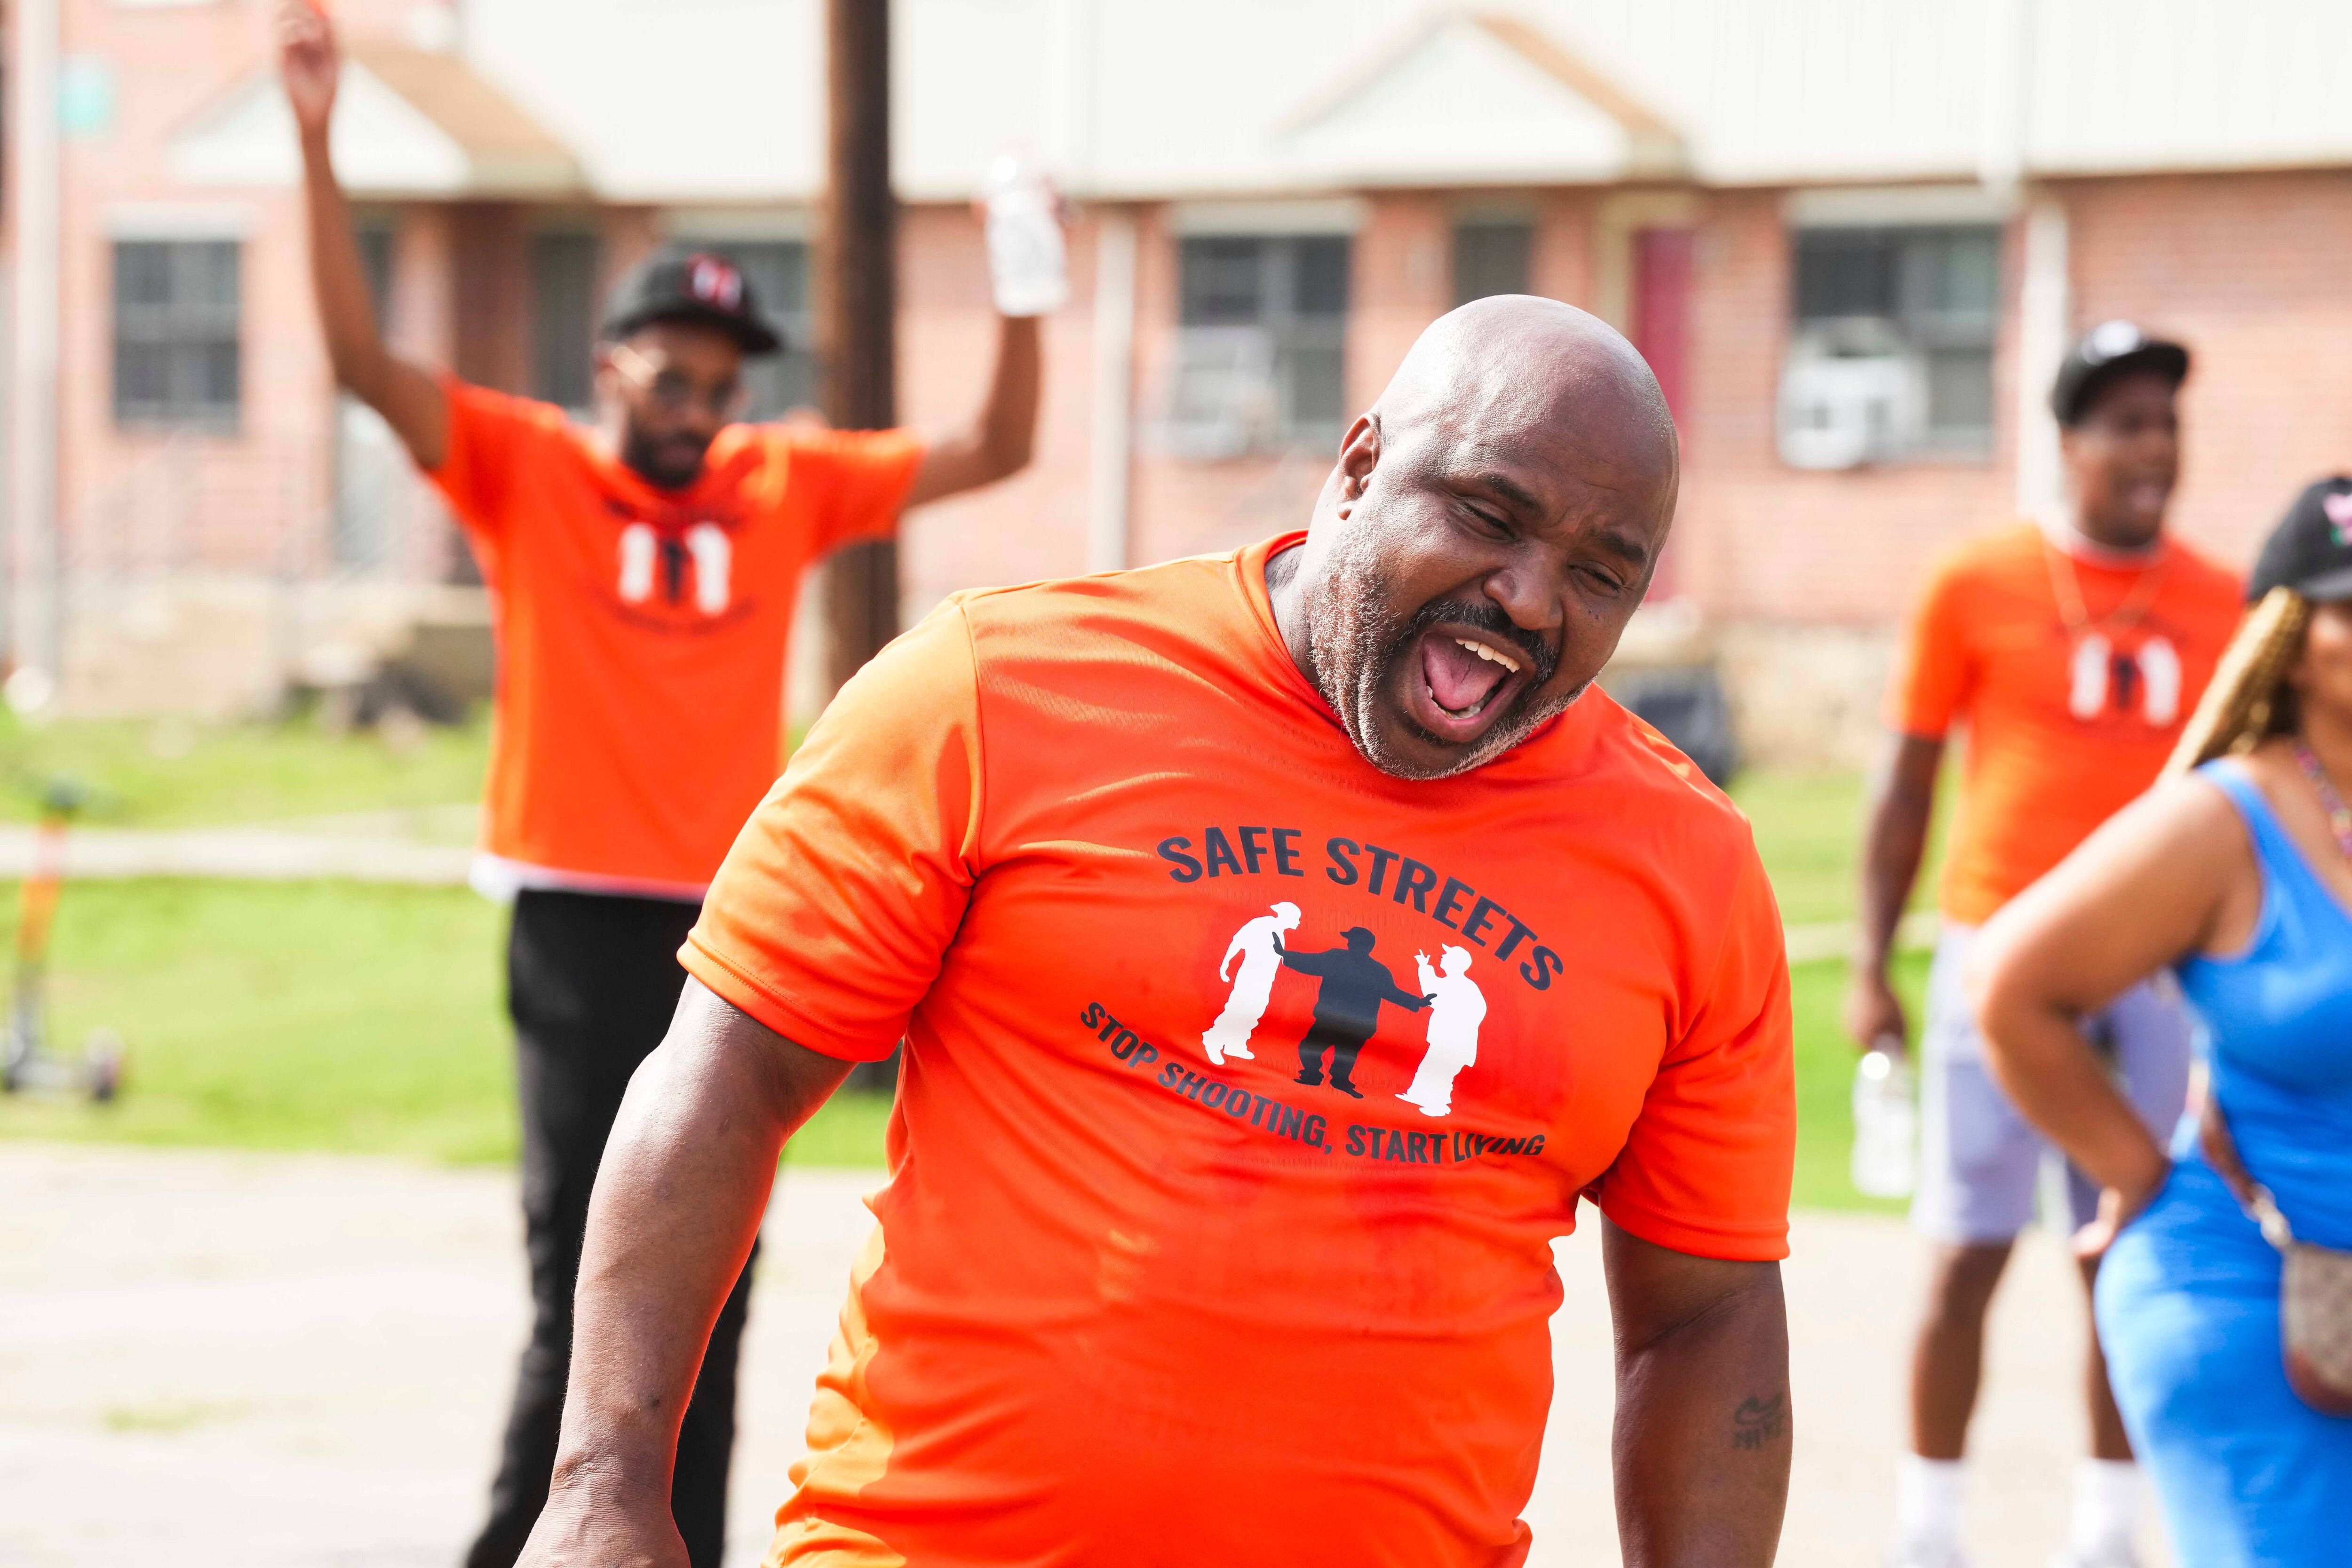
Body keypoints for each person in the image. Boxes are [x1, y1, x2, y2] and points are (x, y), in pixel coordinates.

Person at [514, 296, 1796, 1568]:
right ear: (1358, 467)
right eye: (1487, 514)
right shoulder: (1000, 687)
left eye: (1599, 572)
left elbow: (1710, 1309)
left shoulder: (1687, 866)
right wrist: (601, 1485)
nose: (1529, 598)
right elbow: (726, 1076)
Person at [276, 8, 1046, 1566]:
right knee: (588, 1285)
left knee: (718, 1282)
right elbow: (360, 363)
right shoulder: (528, 466)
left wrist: (1025, 273)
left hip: (734, 934)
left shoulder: (778, 483)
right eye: (674, 376)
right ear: (611, 365)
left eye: (722, 383)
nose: (699, 406)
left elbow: (995, 446)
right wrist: (316, 139)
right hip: (573, 915)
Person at [1848, 321, 2243, 1568]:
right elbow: (1906, 783)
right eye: (2125, 424)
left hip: (2159, 964)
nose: (2153, 447)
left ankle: (2107, 1528)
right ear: (2068, 442)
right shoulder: (1977, 580)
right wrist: (1871, 964)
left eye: (2166, 423)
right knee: (1966, 1246)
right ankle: (1930, 1526)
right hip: (2000, 954)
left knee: (2135, 1238)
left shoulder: (2225, 600)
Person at [1971, 478, 2352, 1567]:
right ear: (2289, 638)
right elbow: (2012, 989)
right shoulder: (2225, 820)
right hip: (2248, 1294)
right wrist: (2137, 1175)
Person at [1278, 923, 1430, 1097]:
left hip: (1350, 1025)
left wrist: (1418, 1002)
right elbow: (1311, 963)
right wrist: (1284, 954)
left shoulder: (1370, 969)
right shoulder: (1341, 959)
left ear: (1363, 946)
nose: (1349, 943)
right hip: (1340, 1022)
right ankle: (1317, 1076)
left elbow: (1392, 993)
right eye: (1350, 941)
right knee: (1313, 1049)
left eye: (1352, 941)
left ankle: (1336, 1080)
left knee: (1339, 1056)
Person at [1202, 901, 1301, 1064]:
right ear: (1286, 916)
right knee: (1238, 1008)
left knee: (1255, 1011)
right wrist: (1225, 964)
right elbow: (1238, 942)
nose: (1298, 922)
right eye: (1296, 918)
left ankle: (1235, 1045)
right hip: (1250, 977)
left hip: (1265, 980)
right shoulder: (1262, 924)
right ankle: (1213, 1040)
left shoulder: (1280, 933)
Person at [1404, 944, 1487, 1117]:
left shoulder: (1465, 986)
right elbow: (1433, 991)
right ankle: (1418, 1096)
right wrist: (1424, 966)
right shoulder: (1451, 982)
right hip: (1446, 1040)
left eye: (1447, 955)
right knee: (1430, 1068)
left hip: (1455, 1043)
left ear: (1456, 962)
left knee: (1442, 1074)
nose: (1442, 957)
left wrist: (1458, 1024)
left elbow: (1477, 1012)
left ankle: (1439, 1107)